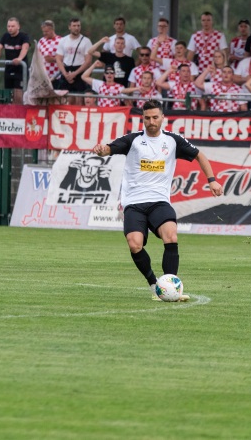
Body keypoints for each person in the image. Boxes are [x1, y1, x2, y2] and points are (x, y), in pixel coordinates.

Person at [92, 100, 223, 301]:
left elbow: (200, 156)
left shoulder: (173, 141)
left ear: (162, 118)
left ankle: (172, 286)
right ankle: (155, 285)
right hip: (134, 203)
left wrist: (212, 180)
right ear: (142, 119)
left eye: (155, 117)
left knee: (171, 236)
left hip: (159, 201)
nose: (151, 122)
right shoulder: (133, 140)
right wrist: (102, 150)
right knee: (135, 244)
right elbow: (109, 148)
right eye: (147, 118)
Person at [55, 18, 93, 93]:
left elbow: (88, 61)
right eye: (74, 26)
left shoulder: (86, 41)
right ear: (69, 27)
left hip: (80, 70)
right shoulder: (63, 40)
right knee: (66, 98)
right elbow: (58, 58)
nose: (76, 28)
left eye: (78, 26)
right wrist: (65, 74)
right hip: (66, 69)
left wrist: (75, 73)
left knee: (80, 98)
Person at [0, 17, 30, 104]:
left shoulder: (24, 36)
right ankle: (10, 114)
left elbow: (25, 48)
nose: (10, 28)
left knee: (18, 95)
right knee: (8, 94)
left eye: (12, 26)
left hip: (20, 70)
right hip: (9, 69)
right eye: (8, 26)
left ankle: (19, 114)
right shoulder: (5, 36)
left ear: (18, 26)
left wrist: (19, 58)